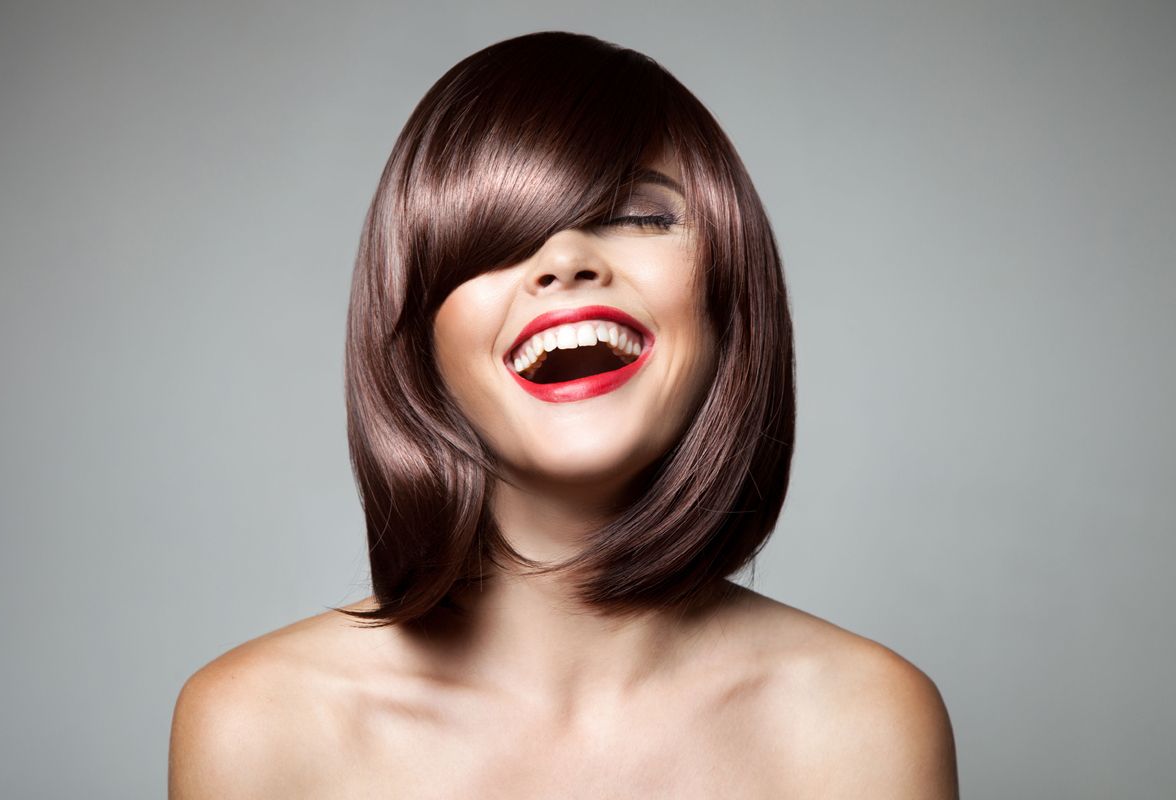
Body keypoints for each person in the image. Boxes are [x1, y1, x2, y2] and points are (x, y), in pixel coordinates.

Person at [169, 31, 959, 798]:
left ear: (729, 296)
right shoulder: (258, 729)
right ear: (419, 340)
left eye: (643, 216)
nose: (565, 259)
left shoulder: (864, 723)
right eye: (499, 234)